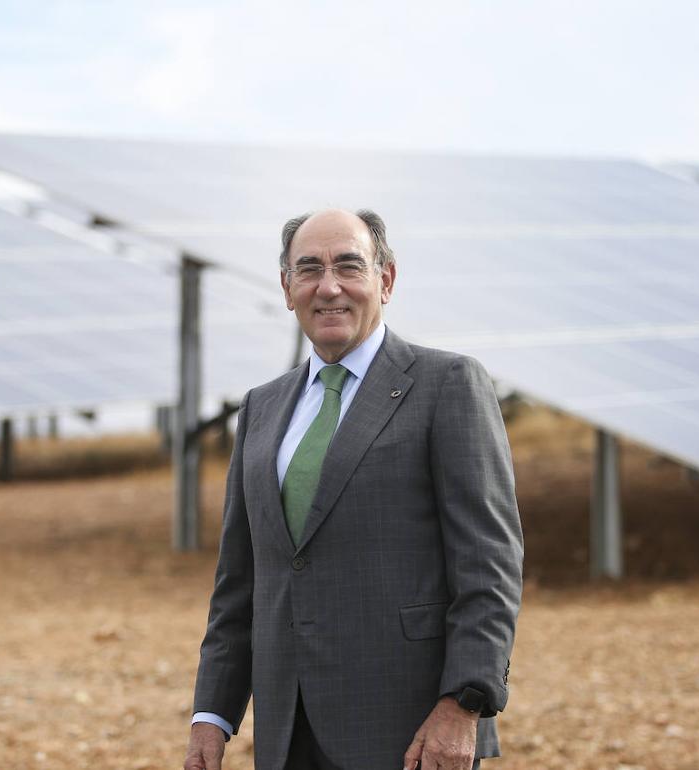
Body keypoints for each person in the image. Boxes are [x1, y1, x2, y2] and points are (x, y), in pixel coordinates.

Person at [183, 208, 523, 770]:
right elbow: (241, 581)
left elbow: (489, 566)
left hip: (411, 730)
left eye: (349, 265)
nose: (329, 286)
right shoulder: (261, 408)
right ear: (287, 287)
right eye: (309, 268)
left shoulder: (448, 385)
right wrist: (212, 714)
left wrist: (465, 704)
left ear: (385, 280)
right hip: (287, 731)